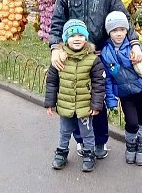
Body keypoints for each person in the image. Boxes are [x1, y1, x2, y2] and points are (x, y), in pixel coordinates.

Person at [49, 0, 142, 159]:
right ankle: (81, 141)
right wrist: (55, 48)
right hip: (72, 58)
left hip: (98, 57)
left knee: (96, 102)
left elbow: (123, 18)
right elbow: (57, 23)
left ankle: (99, 142)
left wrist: (134, 42)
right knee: (74, 102)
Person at [45, 19, 105, 172]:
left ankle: (88, 154)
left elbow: (99, 84)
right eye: (72, 36)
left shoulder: (93, 59)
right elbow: (52, 82)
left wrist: (96, 104)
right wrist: (50, 102)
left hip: (84, 106)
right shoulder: (60, 59)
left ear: (86, 37)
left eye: (80, 35)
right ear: (66, 39)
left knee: (87, 132)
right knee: (64, 131)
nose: (76, 39)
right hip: (65, 104)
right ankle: (61, 153)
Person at [101, 11, 142, 166]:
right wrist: (111, 100)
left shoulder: (135, 49)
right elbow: (107, 79)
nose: (119, 34)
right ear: (109, 32)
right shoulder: (106, 53)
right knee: (132, 122)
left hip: (141, 92)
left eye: (122, 30)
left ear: (127, 30)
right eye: (114, 30)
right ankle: (131, 145)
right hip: (125, 94)